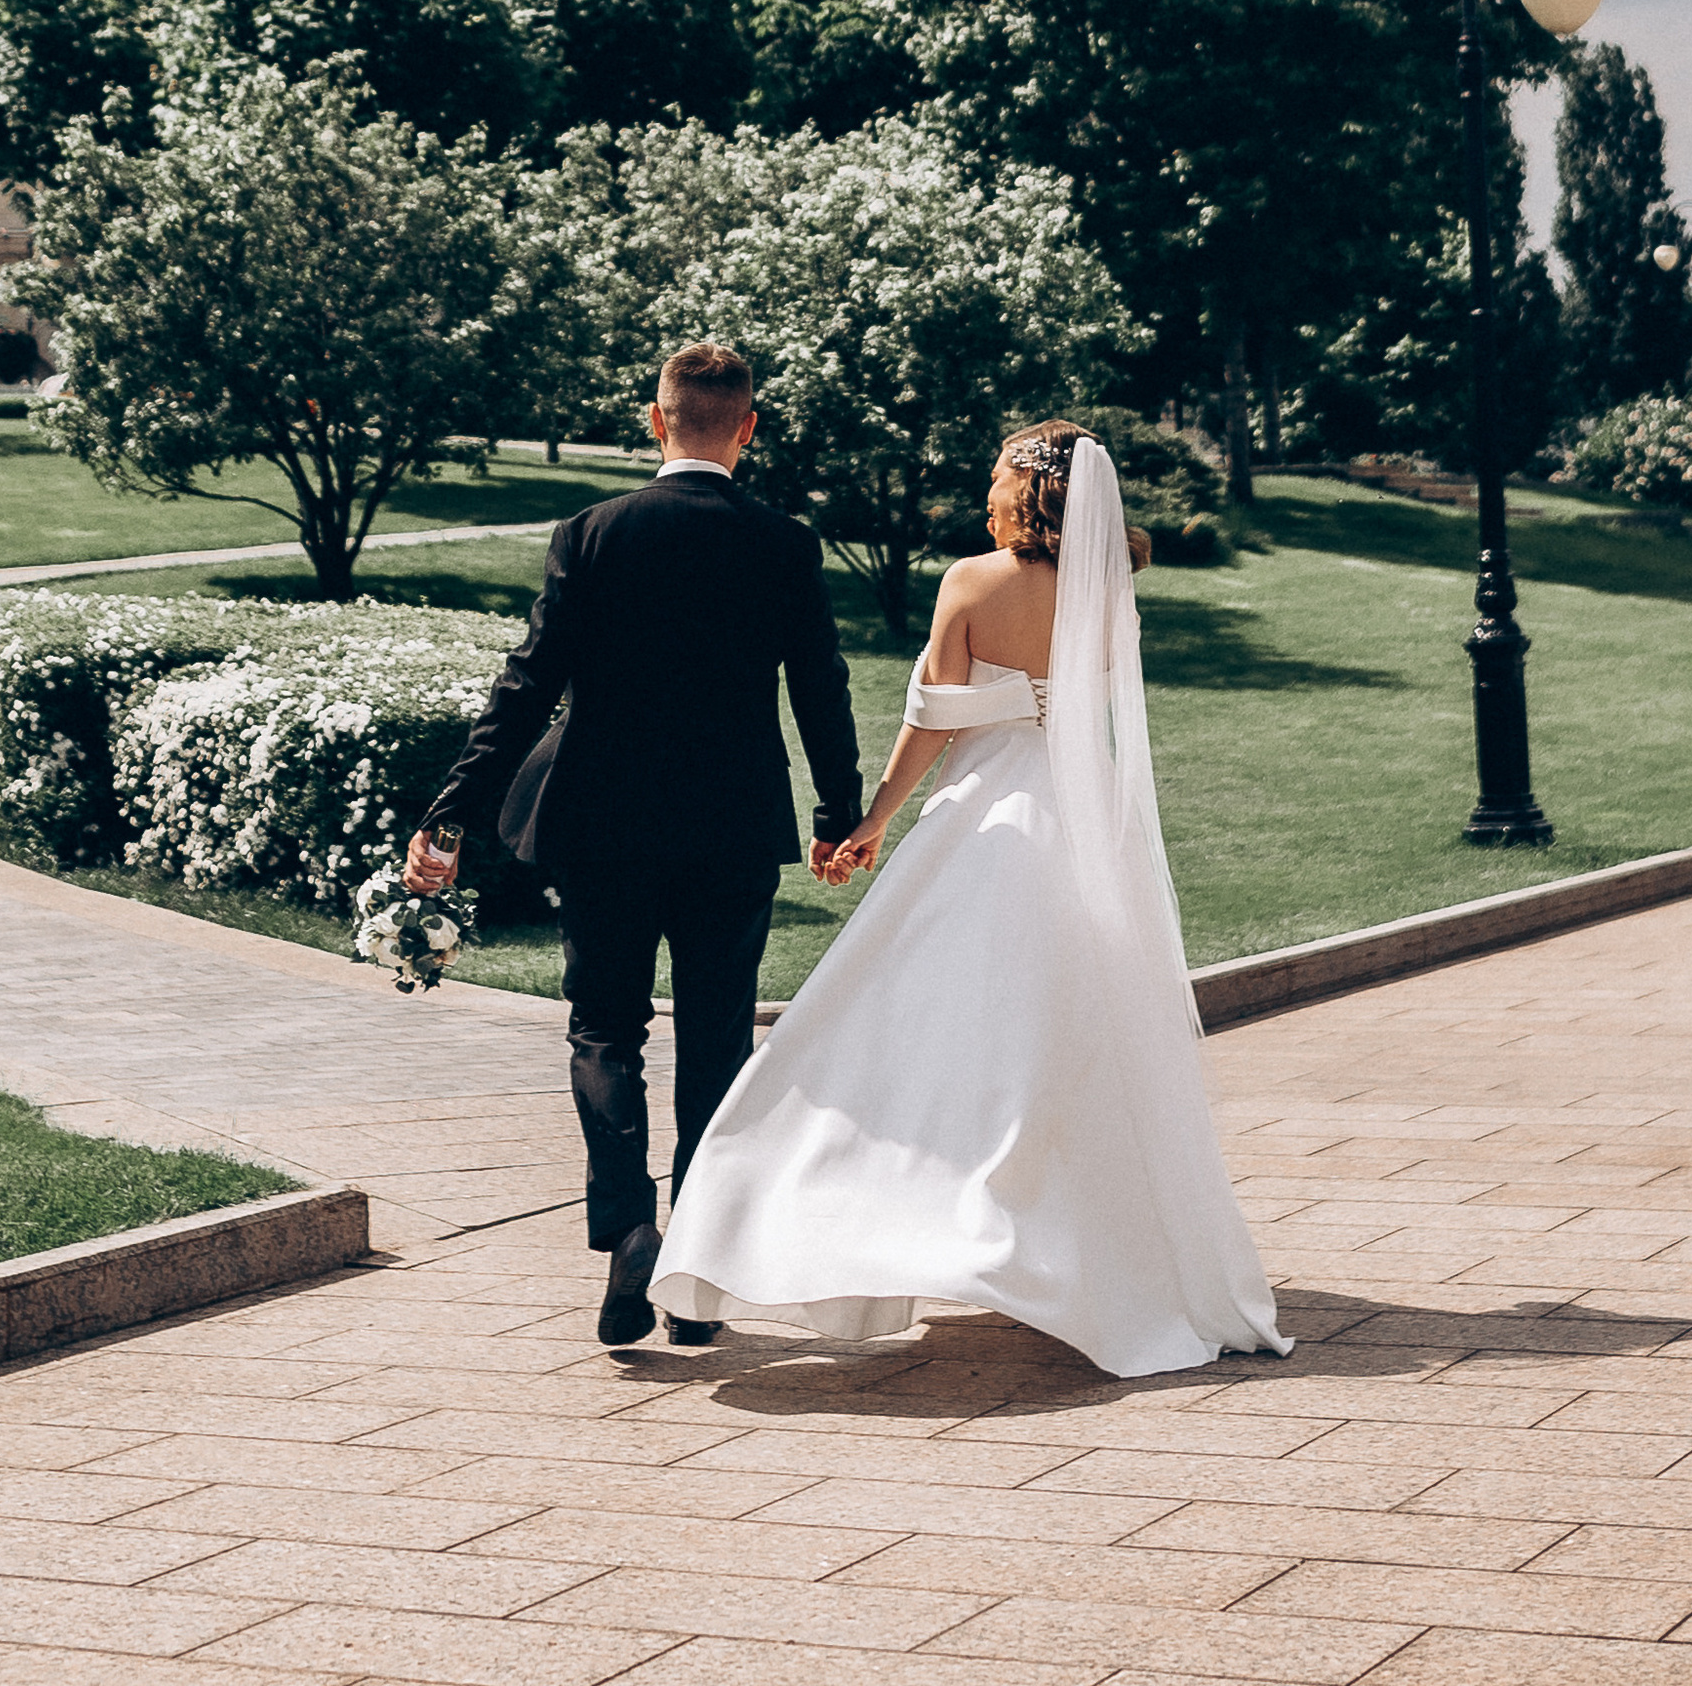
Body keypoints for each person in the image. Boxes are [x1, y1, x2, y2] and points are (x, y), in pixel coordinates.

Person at [651, 421, 1289, 1378]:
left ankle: (909, 1222)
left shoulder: (972, 581)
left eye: (997, 471)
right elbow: (1072, 707)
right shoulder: (1107, 591)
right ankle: (1075, 1248)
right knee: (1066, 1043)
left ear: (1027, 490)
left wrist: (868, 824)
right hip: (1074, 827)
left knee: (892, 1031)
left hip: (986, 823)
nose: (985, 484)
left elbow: (933, 720)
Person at [404, 341, 863, 1349]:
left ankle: (627, 1227)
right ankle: (694, 1276)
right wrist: (840, 812)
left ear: (655, 420)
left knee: (604, 1028)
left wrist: (451, 812)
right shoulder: (783, 543)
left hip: (601, 824)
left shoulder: (592, 534)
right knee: (714, 1042)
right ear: (746, 427)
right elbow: (818, 688)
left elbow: (525, 685)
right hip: (731, 827)